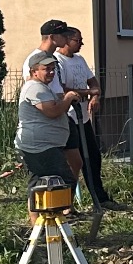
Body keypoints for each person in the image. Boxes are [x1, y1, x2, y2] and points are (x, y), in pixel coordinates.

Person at [53, 27, 122, 210]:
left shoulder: (80, 60)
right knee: (74, 162)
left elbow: (94, 83)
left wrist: (95, 96)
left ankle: (100, 198)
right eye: (78, 40)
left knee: (93, 158)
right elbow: (63, 90)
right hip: (68, 118)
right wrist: (89, 92)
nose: (81, 44)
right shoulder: (58, 62)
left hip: (83, 117)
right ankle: (66, 204)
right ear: (66, 40)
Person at [15, 51, 76, 183]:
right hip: (40, 148)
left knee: (42, 182)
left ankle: (41, 204)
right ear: (34, 71)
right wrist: (69, 98)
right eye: (46, 69)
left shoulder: (41, 87)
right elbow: (52, 111)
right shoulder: (35, 87)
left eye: (53, 69)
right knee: (64, 182)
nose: (51, 72)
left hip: (43, 147)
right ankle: (60, 205)